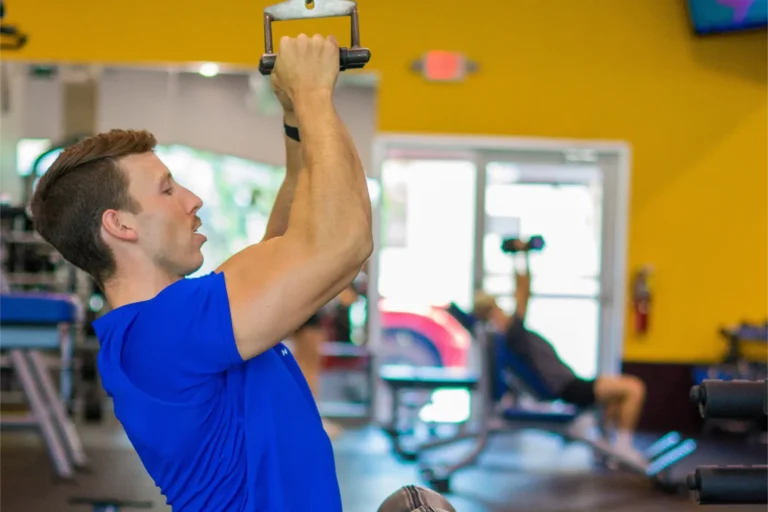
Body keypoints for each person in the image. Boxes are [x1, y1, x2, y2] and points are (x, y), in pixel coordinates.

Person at [29, 34, 372, 511]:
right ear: (120, 224)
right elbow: (342, 244)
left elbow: (287, 242)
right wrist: (315, 94)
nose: (193, 199)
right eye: (167, 190)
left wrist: (297, 117)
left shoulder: (165, 324)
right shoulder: (161, 333)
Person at [472, 246, 646, 463]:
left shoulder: (506, 336)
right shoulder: (512, 334)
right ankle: (622, 448)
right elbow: (524, 291)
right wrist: (521, 256)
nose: (502, 309)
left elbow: (522, 292)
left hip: (569, 385)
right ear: (492, 312)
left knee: (616, 393)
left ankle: (609, 447)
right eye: (496, 307)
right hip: (569, 388)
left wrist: (519, 258)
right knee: (634, 388)